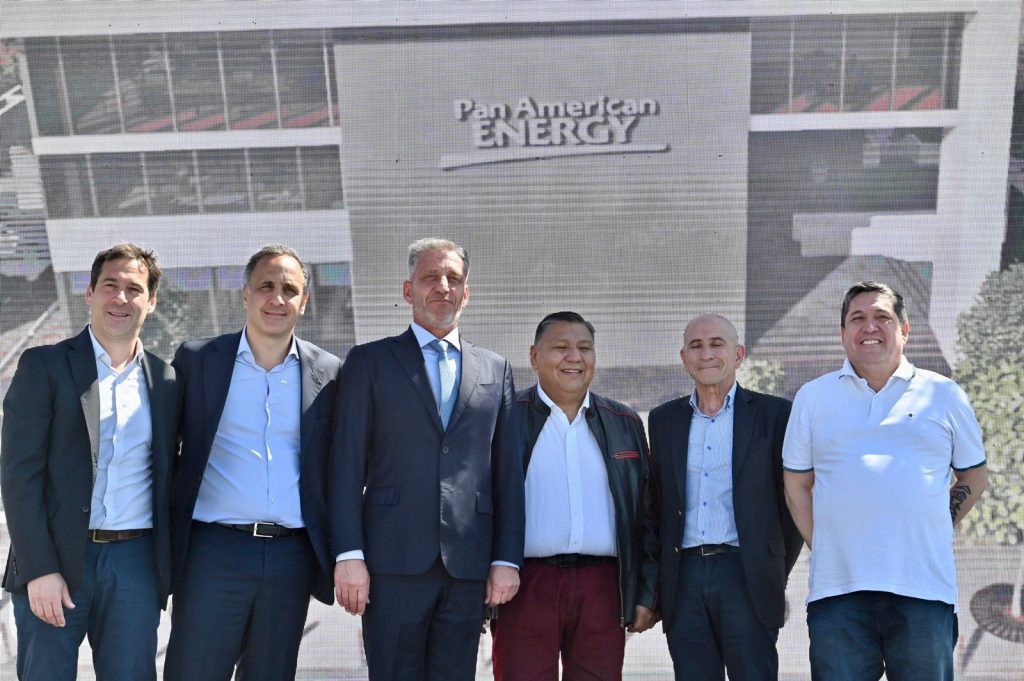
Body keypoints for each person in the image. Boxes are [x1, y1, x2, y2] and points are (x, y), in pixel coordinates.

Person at [330, 237, 525, 680]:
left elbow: (508, 475)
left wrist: (506, 558)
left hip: (468, 566)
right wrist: (349, 554)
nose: (443, 286)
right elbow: (345, 467)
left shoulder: (495, 369)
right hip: (391, 562)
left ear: (466, 293)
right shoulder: (369, 362)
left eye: (453, 278)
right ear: (408, 290)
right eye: (430, 277)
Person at [783, 281, 987, 681]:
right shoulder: (812, 397)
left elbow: (974, 476)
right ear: (843, 333)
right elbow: (796, 485)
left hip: (923, 591)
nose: (870, 326)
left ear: (904, 330)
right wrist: (825, 545)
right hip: (838, 594)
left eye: (882, 317)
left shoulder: (944, 394)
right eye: (857, 318)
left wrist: (936, 522)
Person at [164, 244, 342, 681]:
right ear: (245, 294)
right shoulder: (197, 361)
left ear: (304, 301)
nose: (277, 298)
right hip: (213, 553)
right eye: (266, 286)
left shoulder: (330, 373)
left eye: (289, 289)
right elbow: (163, 451)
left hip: (291, 556)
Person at [1, 244, 176, 681]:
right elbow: (19, 476)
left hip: (135, 565)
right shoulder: (44, 365)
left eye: (134, 289)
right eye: (110, 285)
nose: (121, 298)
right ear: (90, 293)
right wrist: (39, 569)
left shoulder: (166, 380)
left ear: (151, 301)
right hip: (55, 560)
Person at [490, 311, 659, 681]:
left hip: (604, 586)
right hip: (524, 584)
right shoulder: (502, 419)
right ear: (534, 356)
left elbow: (648, 513)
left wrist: (647, 592)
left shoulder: (624, 422)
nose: (574, 357)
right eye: (561, 347)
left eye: (584, 348)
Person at [650, 313, 801, 680]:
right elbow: (656, 505)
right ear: (684, 357)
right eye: (696, 346)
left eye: (716, 344)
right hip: (683, 578)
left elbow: (793, 502)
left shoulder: (775, 413)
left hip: (746, 574)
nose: (706, 354)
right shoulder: (663, 420)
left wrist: (771, 569)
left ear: (738, 354)